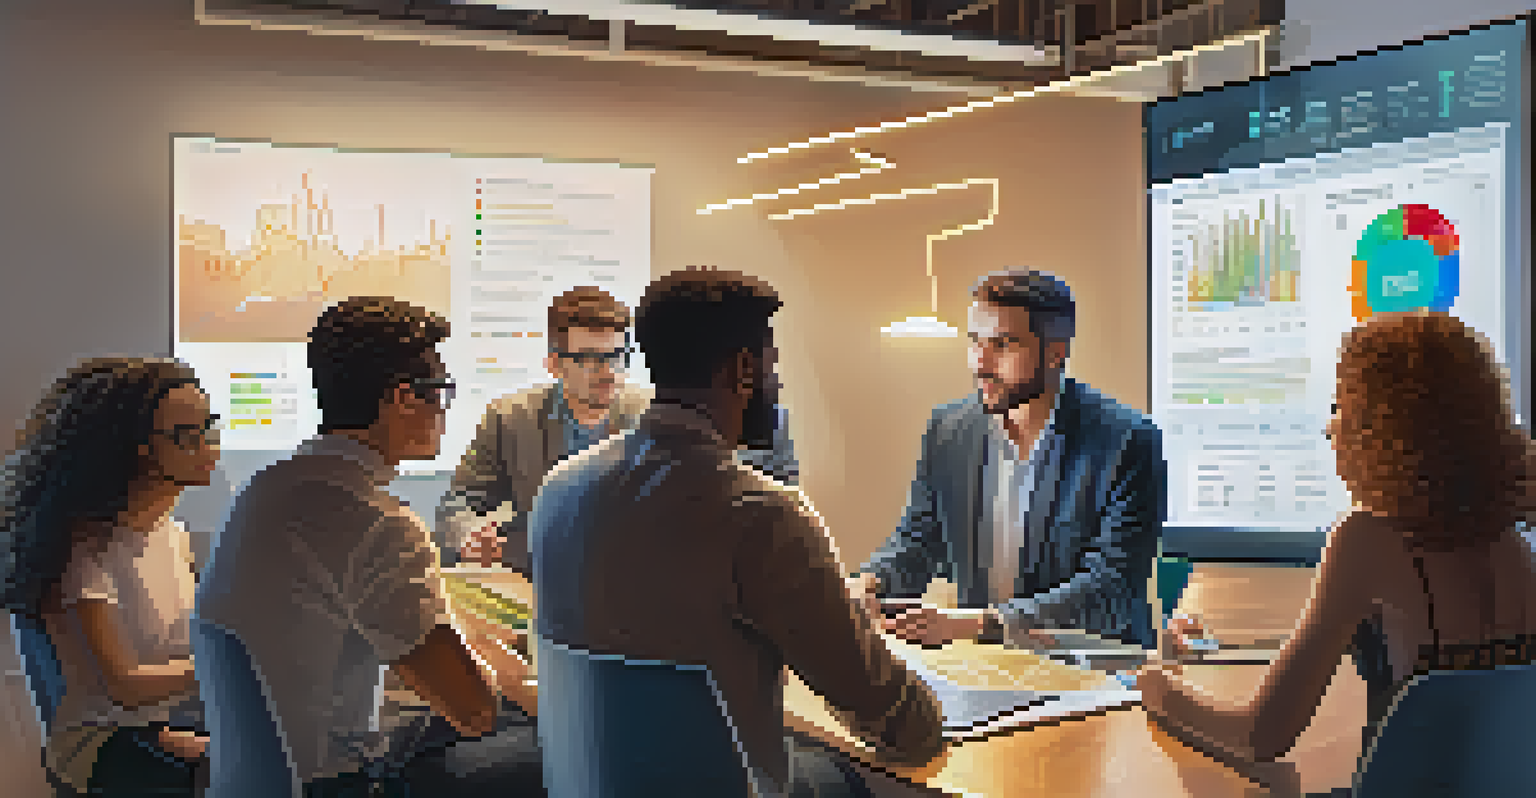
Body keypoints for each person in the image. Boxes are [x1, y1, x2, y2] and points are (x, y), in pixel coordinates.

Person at [530, 267, 944, 798]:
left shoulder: (558, 490)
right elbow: (896, 720)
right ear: (743, 369)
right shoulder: (762, 515)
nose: (778, 381)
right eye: (773, 364)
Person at [1138, 311, 1536, 769]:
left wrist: (1159, 689)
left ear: (1390, 432)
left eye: (1341, 408)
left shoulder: (1366, 541)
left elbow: (1260, 736)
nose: (1331, 429)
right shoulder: (1518, 541)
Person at [194, 296, 542, 796]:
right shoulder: (378, 522)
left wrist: (459, 637)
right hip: (339, 782)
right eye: (442, 392)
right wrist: (502, 670)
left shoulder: (267, 488)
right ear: (404, 398)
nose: (445, 411)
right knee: (563, 742)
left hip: (262, 775)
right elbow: (473, 710)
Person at [851, 269, 1165, 649]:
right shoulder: (949, 431)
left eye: (1002, 345)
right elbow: (917, 542)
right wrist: (868, 583)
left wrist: (978, 623)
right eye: (975, 342)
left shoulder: (1130, 442)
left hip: (1097, 673)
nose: (980, 364)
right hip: (988, 672)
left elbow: (1110, 590)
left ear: (1055, 352)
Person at [437, 285, 800, 569]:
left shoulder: (658, 416)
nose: (608, 372)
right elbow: (457, 503)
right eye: (589, 359)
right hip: (542, 584)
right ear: (554, 364)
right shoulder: (509, 419)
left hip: (639, 588)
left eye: (615, 356)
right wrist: (468, 533)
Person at [0, 357, 216, 796]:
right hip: (99, 744)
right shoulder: (82, 546)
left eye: (208, 428)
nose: (209, 447)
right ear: (135, 447)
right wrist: (235, 669)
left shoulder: (172, 535)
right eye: (186, 436)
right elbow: (124, 686)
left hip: (160, 724)